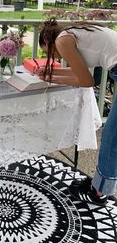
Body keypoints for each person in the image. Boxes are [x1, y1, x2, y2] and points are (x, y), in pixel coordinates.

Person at [35, 18, 117, 206]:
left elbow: (87, 81)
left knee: (112, 137)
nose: (53, 58)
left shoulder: (62, 41)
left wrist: (53, 78)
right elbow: (80, 74)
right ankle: (100, 183)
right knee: (113, 135)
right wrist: (50, 75)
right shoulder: (71, 33)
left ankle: (99, 192)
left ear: (49, 42)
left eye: (49, 53)